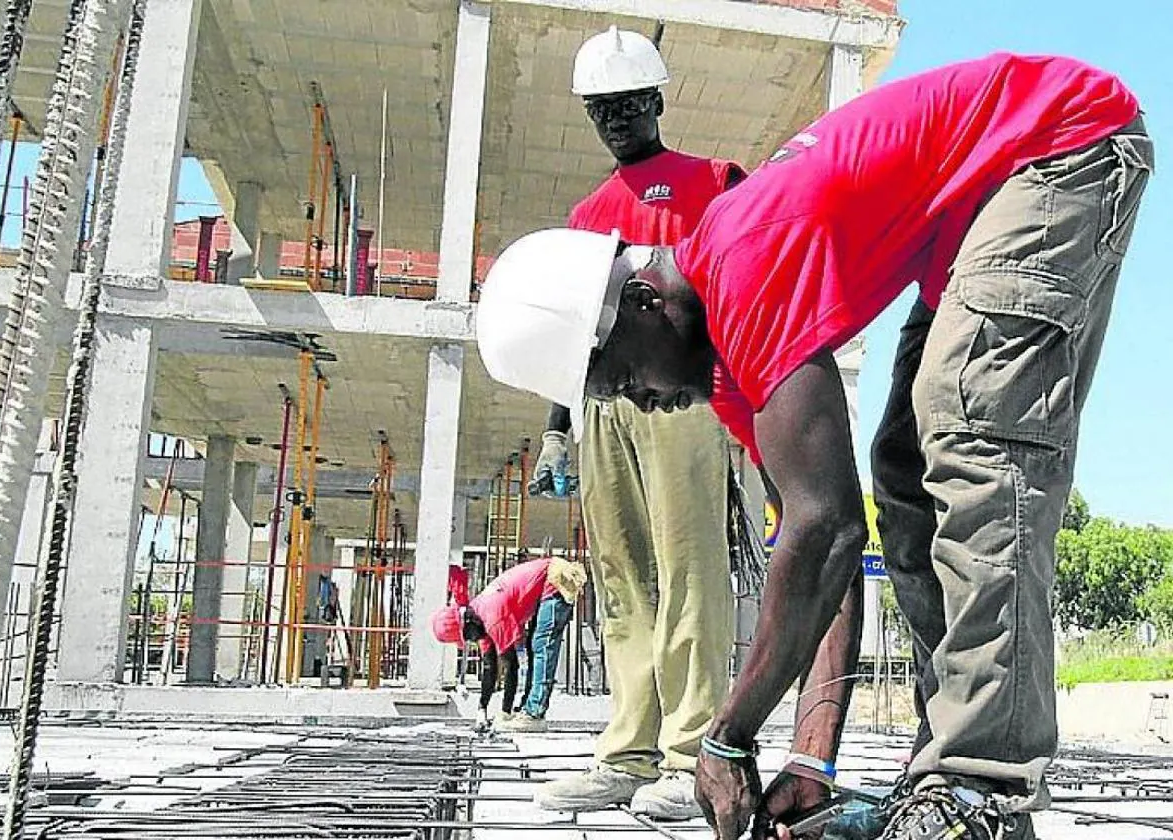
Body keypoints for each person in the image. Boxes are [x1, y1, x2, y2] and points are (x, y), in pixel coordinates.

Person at [475, 52, 1152, 840]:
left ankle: (978, 786)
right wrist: (809, 761)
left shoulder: (743, 262)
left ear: (642, 302)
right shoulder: (727, 373)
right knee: (903, 471)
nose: (645, 405)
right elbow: (818, 545)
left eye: (624, 378)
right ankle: (949, 769)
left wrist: (727, 736)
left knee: (968, 431)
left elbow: (825, 529)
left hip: (1058, 143)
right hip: (978, 206)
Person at [521, 26, 747, 821]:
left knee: (690, 571)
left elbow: (735, 288)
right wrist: (558, 427)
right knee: (621, 573)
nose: (615, 119)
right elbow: (570, 331)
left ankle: (691, 754)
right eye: (601, 109)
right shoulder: (588, 212)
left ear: (656, 100)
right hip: (604, 403)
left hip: (680, 395)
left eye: (627, 103)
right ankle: (627, 750)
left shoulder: (711, 180)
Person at [432, 556, 586, 733]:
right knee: (534, 646)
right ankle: (528, 708)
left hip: (556, 579)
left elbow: (511, 666)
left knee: (541, 645)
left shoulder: (492, 617)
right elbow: (490, 668)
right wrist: (482, 709)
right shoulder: (479, 618)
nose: (471, 641)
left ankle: (534, 714)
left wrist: (505, 713)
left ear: (467, 624)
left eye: (467, 637)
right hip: (544, 585)